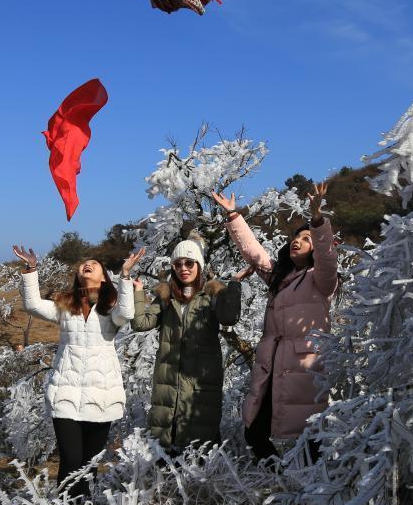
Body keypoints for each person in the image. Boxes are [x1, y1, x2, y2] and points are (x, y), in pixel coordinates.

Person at [212, 183, 337, 464]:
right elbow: (255, 255)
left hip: (306, 369)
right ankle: (282, 482)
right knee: (255, 432)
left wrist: (317, 220)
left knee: (308, 439)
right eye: (296, 237)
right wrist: (234, 217)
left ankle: (310, 496)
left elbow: (329, 257)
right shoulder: (281, 279)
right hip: (274, 366)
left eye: (306, 239)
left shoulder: (321, 279)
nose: (298, 241)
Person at [12, 244, 145, 500]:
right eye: (85, 264)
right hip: (66, 392)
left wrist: (125, 274)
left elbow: (128, 313)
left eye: (95, 264)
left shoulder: (112, 308)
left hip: (101, 395)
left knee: (88, 464)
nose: (88, 264)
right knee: (71, 459)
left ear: (105, 277)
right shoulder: (66, 306)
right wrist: (31, 269)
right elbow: (32, 305)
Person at [131, 236, 243, 453]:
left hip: (200, 384)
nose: (184, 268)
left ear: (199, 265)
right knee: (165, 449)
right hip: (168, 382)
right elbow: (140, 323)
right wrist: (137, 291)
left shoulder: (212, 295)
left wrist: (234, 285)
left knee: (199, 448)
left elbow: (229, 318)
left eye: (189, 263)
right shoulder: (166, 297)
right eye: (178, 264)